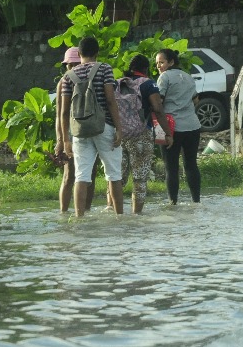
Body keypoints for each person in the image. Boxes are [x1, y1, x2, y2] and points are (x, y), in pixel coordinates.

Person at [58, 36, 124, 217]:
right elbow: (110, 100)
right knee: (113, 174)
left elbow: (64, 112)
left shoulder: (68, 76)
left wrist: (65, 139)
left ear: (79, 54)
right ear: (97, 53)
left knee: (81, 176)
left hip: (80, 131)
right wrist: (119, 128)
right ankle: (120, 218)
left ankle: (79, 218)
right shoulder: (104, 69)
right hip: (105, 127)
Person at [121, 54, 173, 214]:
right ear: (145, 69)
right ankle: (137, 215)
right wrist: (168, 133)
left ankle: (114, 212)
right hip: (141, 135)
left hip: (119, 135)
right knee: (139, 178)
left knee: (117, 177)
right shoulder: (149, 84)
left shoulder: (119, 83)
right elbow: (158, 108)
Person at [55, 46, 100, 214]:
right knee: (69, 174)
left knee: (90, 174)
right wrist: (61, 139)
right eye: (69, 66)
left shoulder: (91, 78)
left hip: (89, 129)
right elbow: (60, 114)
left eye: (75, 64)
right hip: (72, 133)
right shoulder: (64, 82)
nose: (73, 68)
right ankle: (64, 212)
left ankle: (85, 211)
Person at [155, 48, 203, 204]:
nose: (159, 66)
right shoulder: (188, 77)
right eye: (157, 64)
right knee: (191, 164)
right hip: (192, 125)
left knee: (171, 167)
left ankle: (173, 203)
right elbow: (196, 100)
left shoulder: (164, 77)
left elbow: (159, 102)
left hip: (171, 127)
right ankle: (196, 201)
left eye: (161, 62)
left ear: (171, 62)